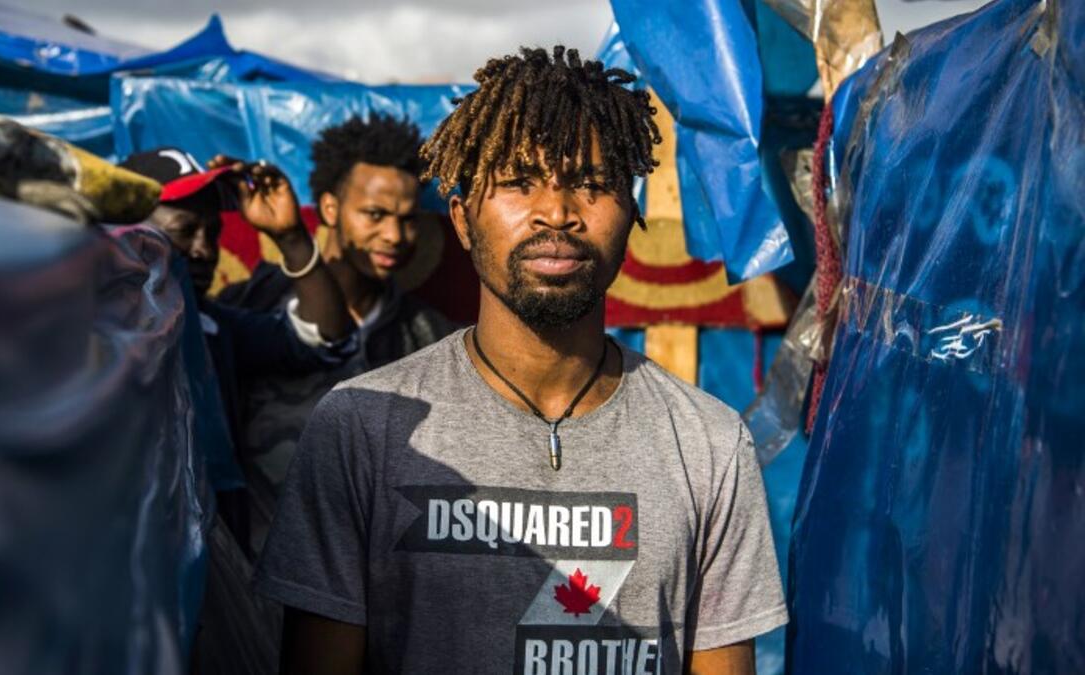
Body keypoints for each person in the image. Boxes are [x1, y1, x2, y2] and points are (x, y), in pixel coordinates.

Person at [253, 46, 788, 675]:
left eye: (592, 184)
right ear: (461, 218)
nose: (556, 212)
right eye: (518, 181)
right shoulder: (360, 430)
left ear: (631, 215)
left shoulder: (710, 445)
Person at [217, 114, 456, 551]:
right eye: (375, 214)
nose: (394, 235)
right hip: (254, 577)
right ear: (330, 208)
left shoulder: (430, 338)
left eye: (407, 220)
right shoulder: (250, 306)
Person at [119, 147, 356, 544]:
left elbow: (325, 337)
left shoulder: (215, 328)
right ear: (128, 232)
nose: (204, 249)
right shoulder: (90, 331)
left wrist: (290, 236)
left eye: (212, 233)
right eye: (182, 231)